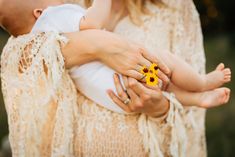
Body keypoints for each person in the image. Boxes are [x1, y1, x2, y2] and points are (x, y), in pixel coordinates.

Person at [16, 0, 231, 113]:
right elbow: (22, 62)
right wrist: (98, 45)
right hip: (121, 82)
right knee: (165, 62)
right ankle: (202, 83)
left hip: (112, 94)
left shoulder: (177, 8)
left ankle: (197, 98)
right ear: (38, 11)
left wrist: (159, 109)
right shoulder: (56, 12)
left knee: (157, 85)